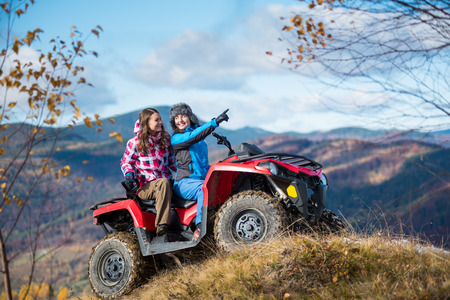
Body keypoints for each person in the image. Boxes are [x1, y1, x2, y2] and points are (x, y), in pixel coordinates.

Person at [169, 103, 229, 238]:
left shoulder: (200, 142)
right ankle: (200, 228)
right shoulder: (177, 139)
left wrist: (220, 168)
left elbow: (202, 164)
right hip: (184, 182)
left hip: (200, 178)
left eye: (183, 116)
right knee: (203, 189)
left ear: (190, 117)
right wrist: (215, 122)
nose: (180, 120)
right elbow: (194, 136)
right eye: (176, 118)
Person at [120, 108, 176, 236]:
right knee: (163, 183)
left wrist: (185, 173)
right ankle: (162, 226)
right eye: (157, 120)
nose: (161, 122)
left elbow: (173, 163)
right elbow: (126, 162)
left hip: (166, 183)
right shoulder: (135, 142)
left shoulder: (166, 139)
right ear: (146, 123)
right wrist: (129, 173)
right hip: (145, 186)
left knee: (172, 184)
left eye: (160, 119)